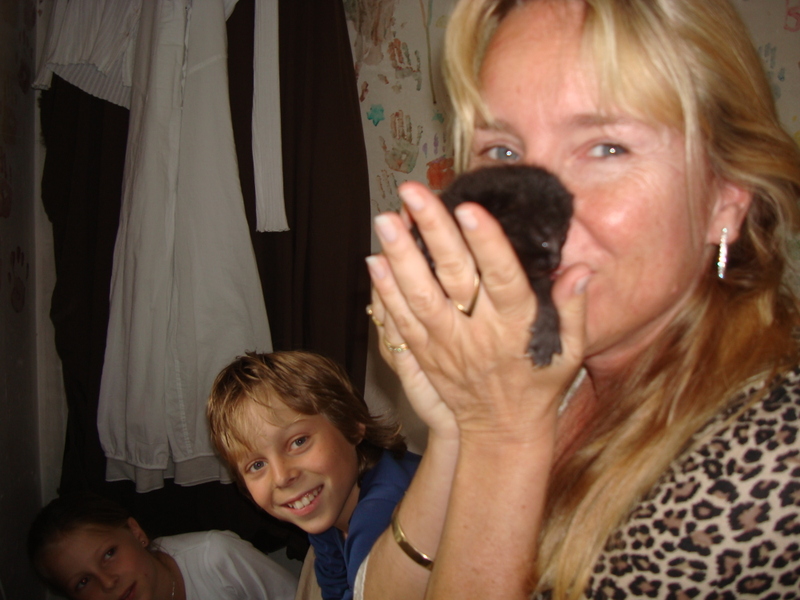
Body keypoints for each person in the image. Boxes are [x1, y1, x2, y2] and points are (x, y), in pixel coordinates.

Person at [361, 0, 800, 598]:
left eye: (606, 148)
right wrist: (459, 428)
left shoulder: (768, 462)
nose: (525, 211)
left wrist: (500, 434)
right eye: (504, 152)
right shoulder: (553, 365)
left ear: (726, 196)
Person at [206, 350, 421, 600]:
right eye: (257, 465)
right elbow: (332, 583)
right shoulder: (326, 502)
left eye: (298, 442)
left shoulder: (381, 516)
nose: (281, 477)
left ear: (351, 426)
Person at [27, 491, 298, 600]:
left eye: (109, 554)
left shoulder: (215, 556)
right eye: (83, 582)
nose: (108, 582)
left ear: (136, 532)